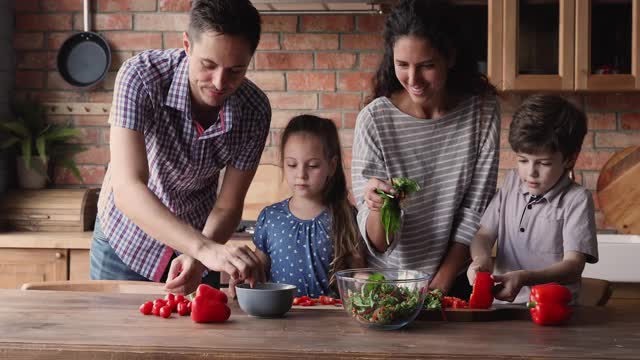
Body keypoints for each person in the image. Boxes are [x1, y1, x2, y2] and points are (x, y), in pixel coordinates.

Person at [91, 0, 270, 295]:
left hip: (201, 244)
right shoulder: (140, 77)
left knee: (196, 340)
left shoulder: (255, 110)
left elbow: (228, 205)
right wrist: (204, 249)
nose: (219, 82)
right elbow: (127, 187)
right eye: (208, 65)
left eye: (236, 70)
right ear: (187, 45)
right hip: (126, 241)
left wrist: (200, 257)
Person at [352, 0, 500, 298]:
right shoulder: (374, 120)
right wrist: (380, 207)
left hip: (454, 280)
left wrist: (443, 280)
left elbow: (475, 209)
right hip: (386, 285)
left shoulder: (482, 112)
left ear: (451, 57)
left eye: (427, 66)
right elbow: (378, 243)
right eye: (402, 65)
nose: (413, 79)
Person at [467, 94, 598, 304]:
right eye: (523, 160)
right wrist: (480, 260)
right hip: (500, 306)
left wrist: (527, 278)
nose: (531, 173)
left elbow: (573, 266)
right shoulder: (511, 183)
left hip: (552, 309)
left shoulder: (577, 200)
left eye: (543, 163)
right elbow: (484, 234)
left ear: (570, 159)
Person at [250, 115, 365, 297]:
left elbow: (357, 272)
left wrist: (364, 280)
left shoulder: (346, 215)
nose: (301, 174)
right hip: (280, 318)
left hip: (332, 320)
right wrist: (245, 275)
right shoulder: (270, 217)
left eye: (312, 165)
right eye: (292, 164)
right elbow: (257, 271)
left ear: (332, 166)